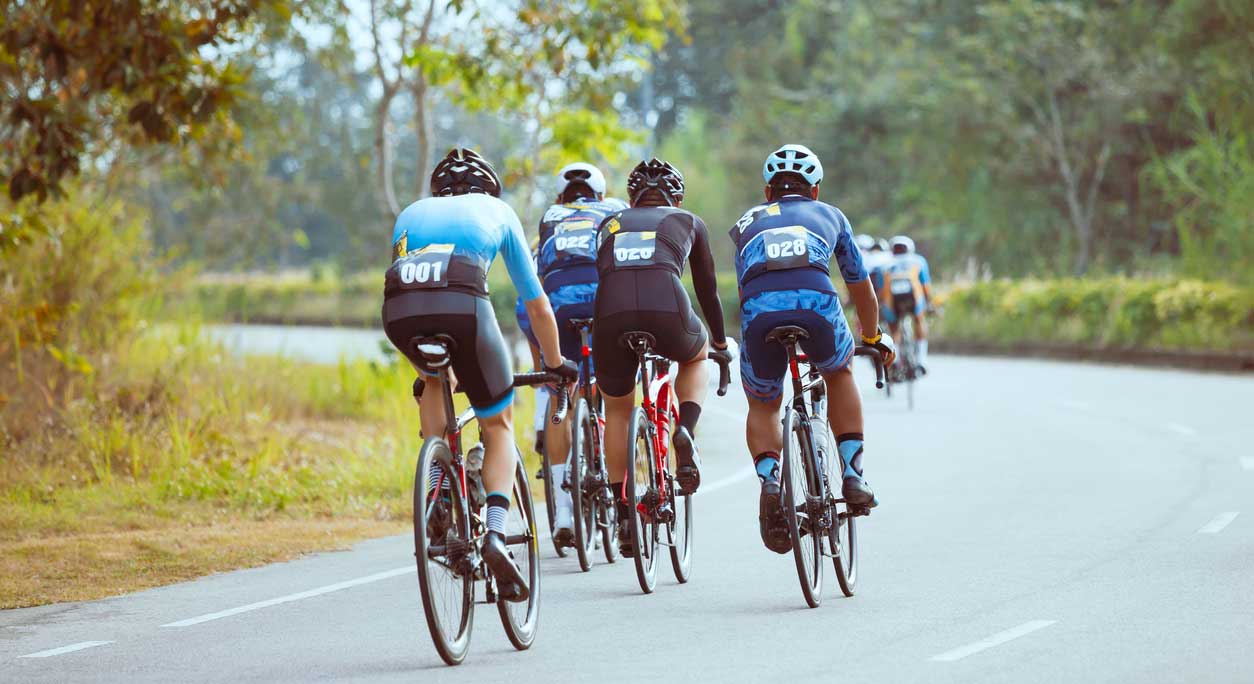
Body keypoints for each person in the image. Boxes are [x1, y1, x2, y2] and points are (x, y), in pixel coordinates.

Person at [382, 148, 576, 601]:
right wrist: (553, 363)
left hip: (399, 310)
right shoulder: (498, 211)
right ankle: (493, 530)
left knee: (433, 378)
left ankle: (436, 488)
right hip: (464, 306)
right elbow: (538, 305)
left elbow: (404, 279)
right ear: (487, 188)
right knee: (498, 425)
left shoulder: (411, 213)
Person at [729, 144, 895, 554]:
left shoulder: (745, 223)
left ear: (768, 192)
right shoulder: (831, 215)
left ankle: (770, 480)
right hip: (817, 303)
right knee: (839, 373)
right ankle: (853, 475)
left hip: (759, 310)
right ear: (815, 190)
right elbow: (860, 287)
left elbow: (744, 286)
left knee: (764, 403)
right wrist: (873, 337)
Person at [590, 158, 730, 556]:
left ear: (632, 196)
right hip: (666, 307)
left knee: (617, 410)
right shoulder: (687, 220)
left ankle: (622, 514)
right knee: (695, 354)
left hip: (611, 312)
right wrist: (718, 343)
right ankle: (684, 429)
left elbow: (603, 276)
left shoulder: (609, 224)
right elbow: (707, 291)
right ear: (677, 195)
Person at [534, 162, 628, 546]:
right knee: (609, 389)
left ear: (561, 197)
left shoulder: (549, 216)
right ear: (600, 196)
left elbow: (540, 272)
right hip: (604, 297)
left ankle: (564, 512)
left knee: (561, 394)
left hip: (557, 301)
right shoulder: (614, 209)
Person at [880, 235, 932, 373]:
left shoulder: (885, 264)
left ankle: (895, 360)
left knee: (894, 328)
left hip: (892, 302)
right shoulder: (918, 261)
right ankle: (921, 360)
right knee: (919, 320)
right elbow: (925, 286)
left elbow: (881, 290)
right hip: (914, 299)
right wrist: (929, 303)